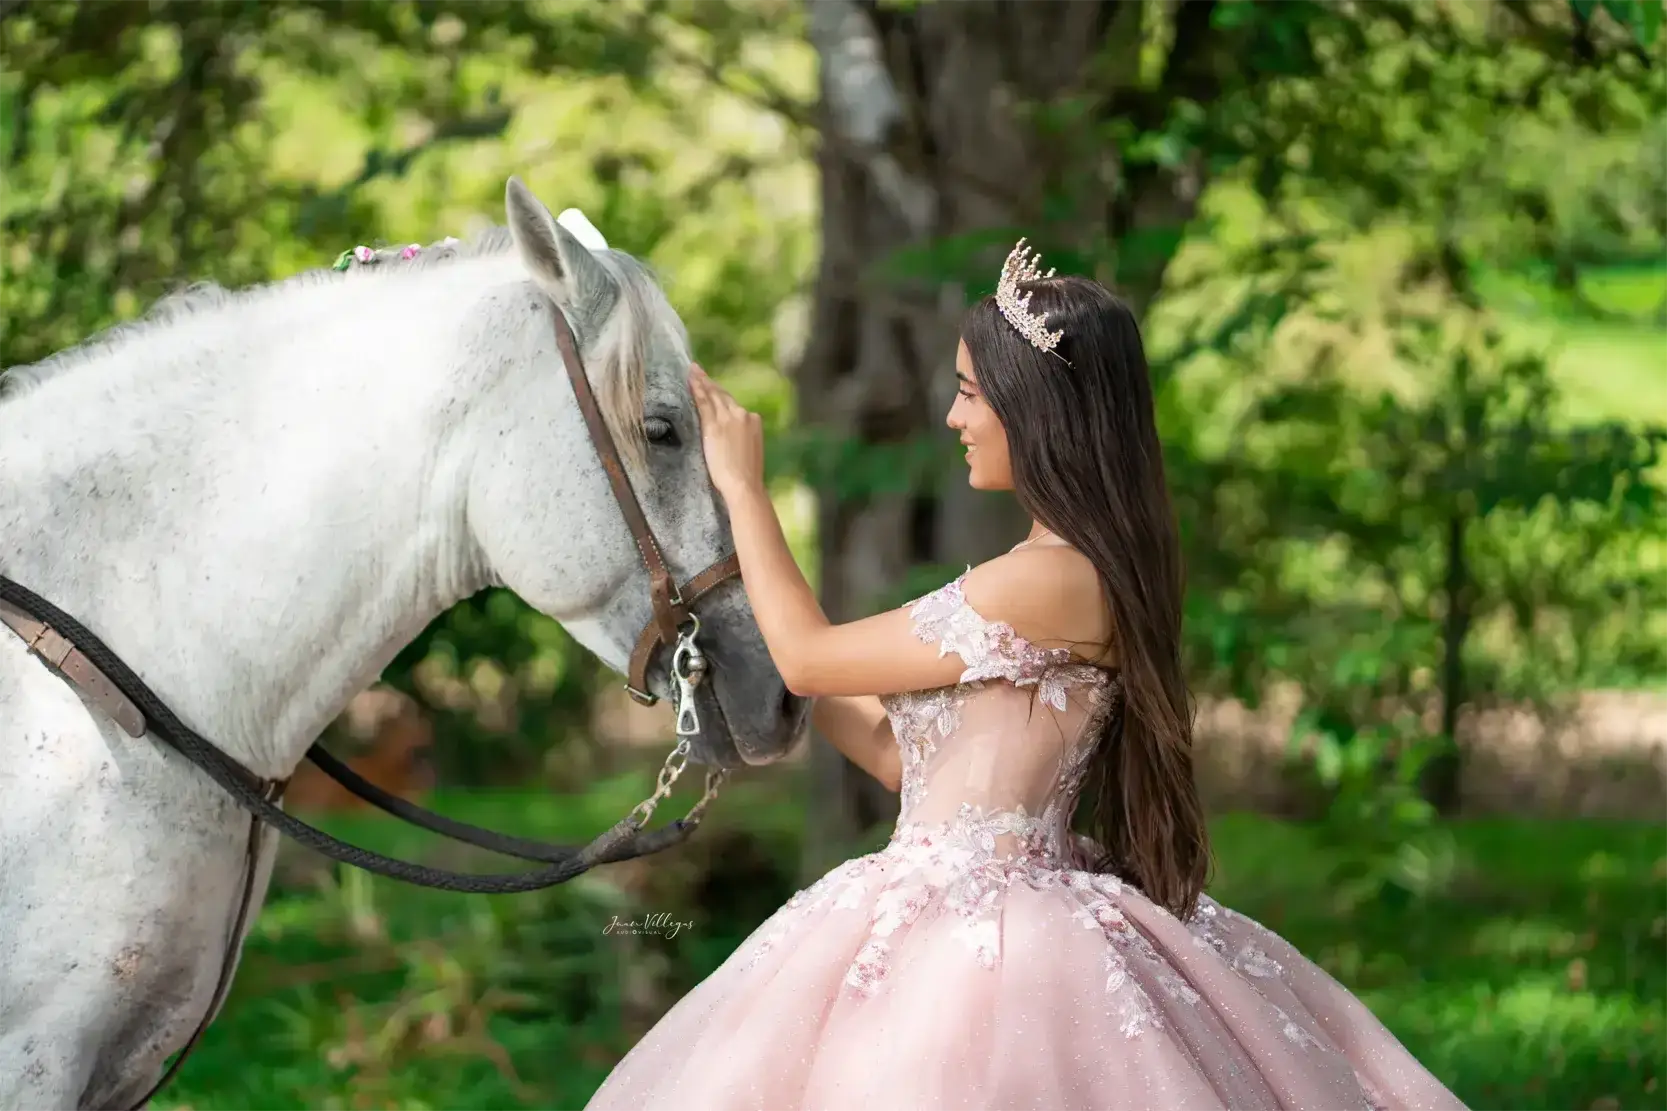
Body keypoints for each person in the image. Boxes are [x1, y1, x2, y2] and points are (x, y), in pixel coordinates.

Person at [582, 241, 1471, 1110]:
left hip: (992, 942)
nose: (953, 418)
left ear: (1034, 407)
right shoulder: (1047, 570)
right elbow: (902, 761)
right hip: (931, 890)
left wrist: (743, 493)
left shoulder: (1051, 581)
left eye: (970, 393)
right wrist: (732, 650)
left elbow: (814, 654)